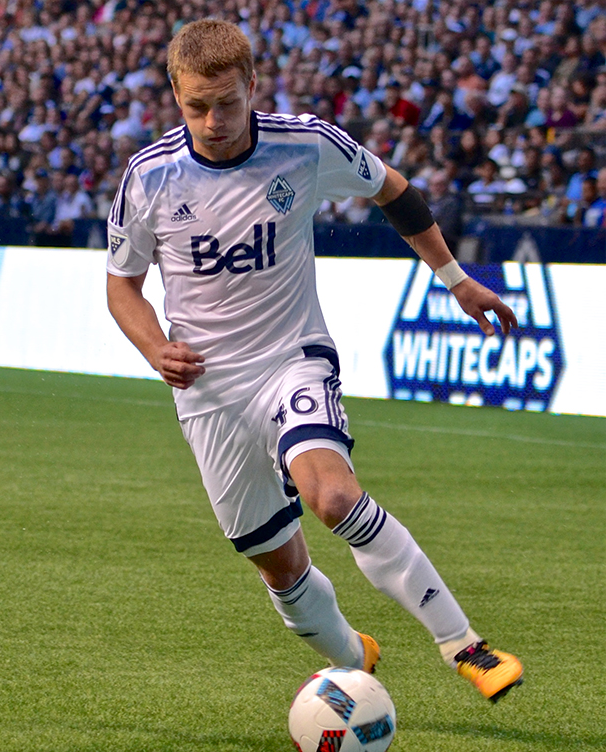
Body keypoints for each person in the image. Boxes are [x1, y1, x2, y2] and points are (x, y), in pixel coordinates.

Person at [105, 19, 523, 704]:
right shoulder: (150, 175)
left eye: (228, 103)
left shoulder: (304, 145)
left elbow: (395, 189)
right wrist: (155, 346)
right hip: (209, 392)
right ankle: (351, 654)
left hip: (291, 358)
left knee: (331, 496)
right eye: (196, 106)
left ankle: (465, 646)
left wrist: (457, 280)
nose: (214, 121)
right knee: (278, 566)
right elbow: (122, 284)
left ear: (253, 87)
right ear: (175, 96)